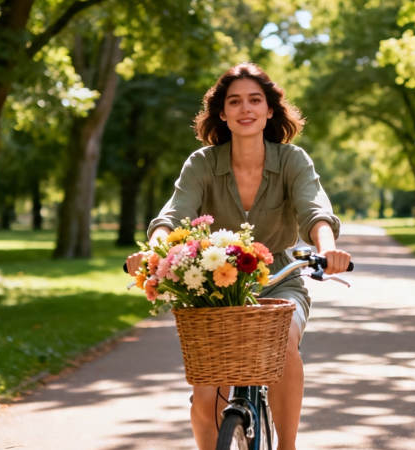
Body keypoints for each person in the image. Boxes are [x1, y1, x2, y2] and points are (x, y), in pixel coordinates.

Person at [125, 62, 351, 450]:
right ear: (223, 113)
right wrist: (152, 251)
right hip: (214, 283)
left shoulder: (292, 160)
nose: (245, 109)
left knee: (283, 348)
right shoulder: (202, 164)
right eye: (235, 101)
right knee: (206, 387)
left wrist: (327, 249)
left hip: (281, 277)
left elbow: (315, 211)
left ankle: (287, 446)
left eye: (254, 100)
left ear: (268, 110)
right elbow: (172, 215)